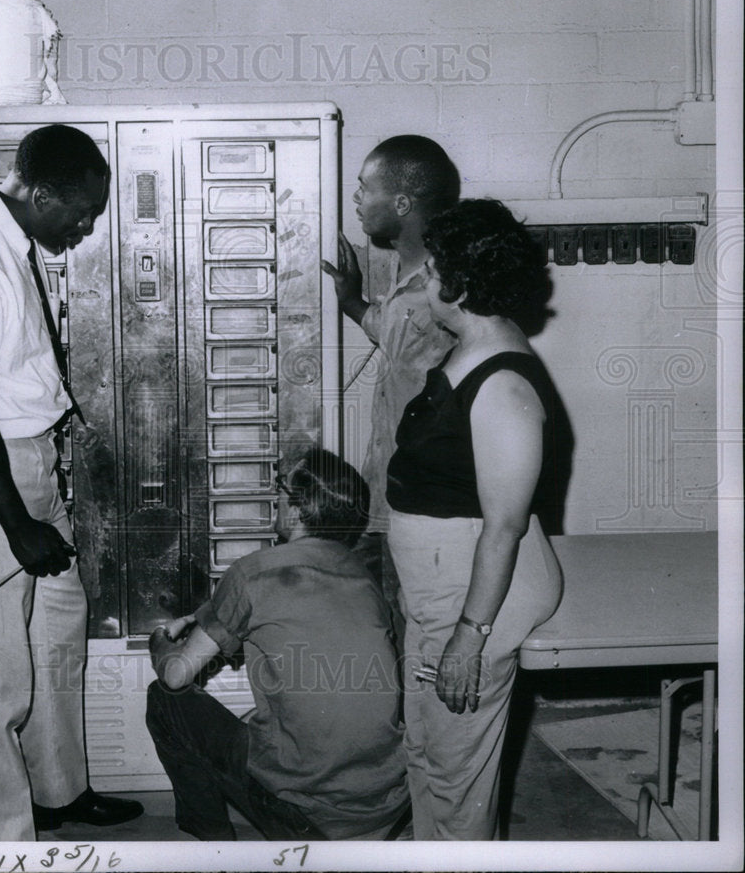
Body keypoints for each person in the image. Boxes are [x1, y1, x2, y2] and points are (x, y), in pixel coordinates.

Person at [0, 124, 143, 841]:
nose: (86, 227)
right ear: (40, 194)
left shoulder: (10, 241)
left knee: (56, 637)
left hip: (27, 460)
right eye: (81, 212)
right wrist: (18, 525)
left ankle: (59, 793)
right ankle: (2, 841)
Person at [385, 199, 565, 840]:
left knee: (456, 777)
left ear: (460, 286)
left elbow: (505, 526)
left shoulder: (504, 388)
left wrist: (469, 637)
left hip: (475, 598)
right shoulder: (473, 347)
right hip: (443, 588)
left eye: (433, 271)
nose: (424, 281)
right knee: (426, 751)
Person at [145, 448, 409, 842]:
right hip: (385, 801)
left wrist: (160, 642)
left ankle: (213, 846)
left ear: (299, 510)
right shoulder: (365, 578)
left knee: (164, 697)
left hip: (307, 813)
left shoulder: (252, 571)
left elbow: (177, 675)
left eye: (282, 488)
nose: (275, 496)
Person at [320, 136, 460, 618]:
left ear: (401, 204)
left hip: (416, 508)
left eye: (366, 188)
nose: (357, 198)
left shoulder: (437, 293)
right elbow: (395, 333)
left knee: (406, 626)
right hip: (388, 498)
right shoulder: (413, 282)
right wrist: (351, 300)